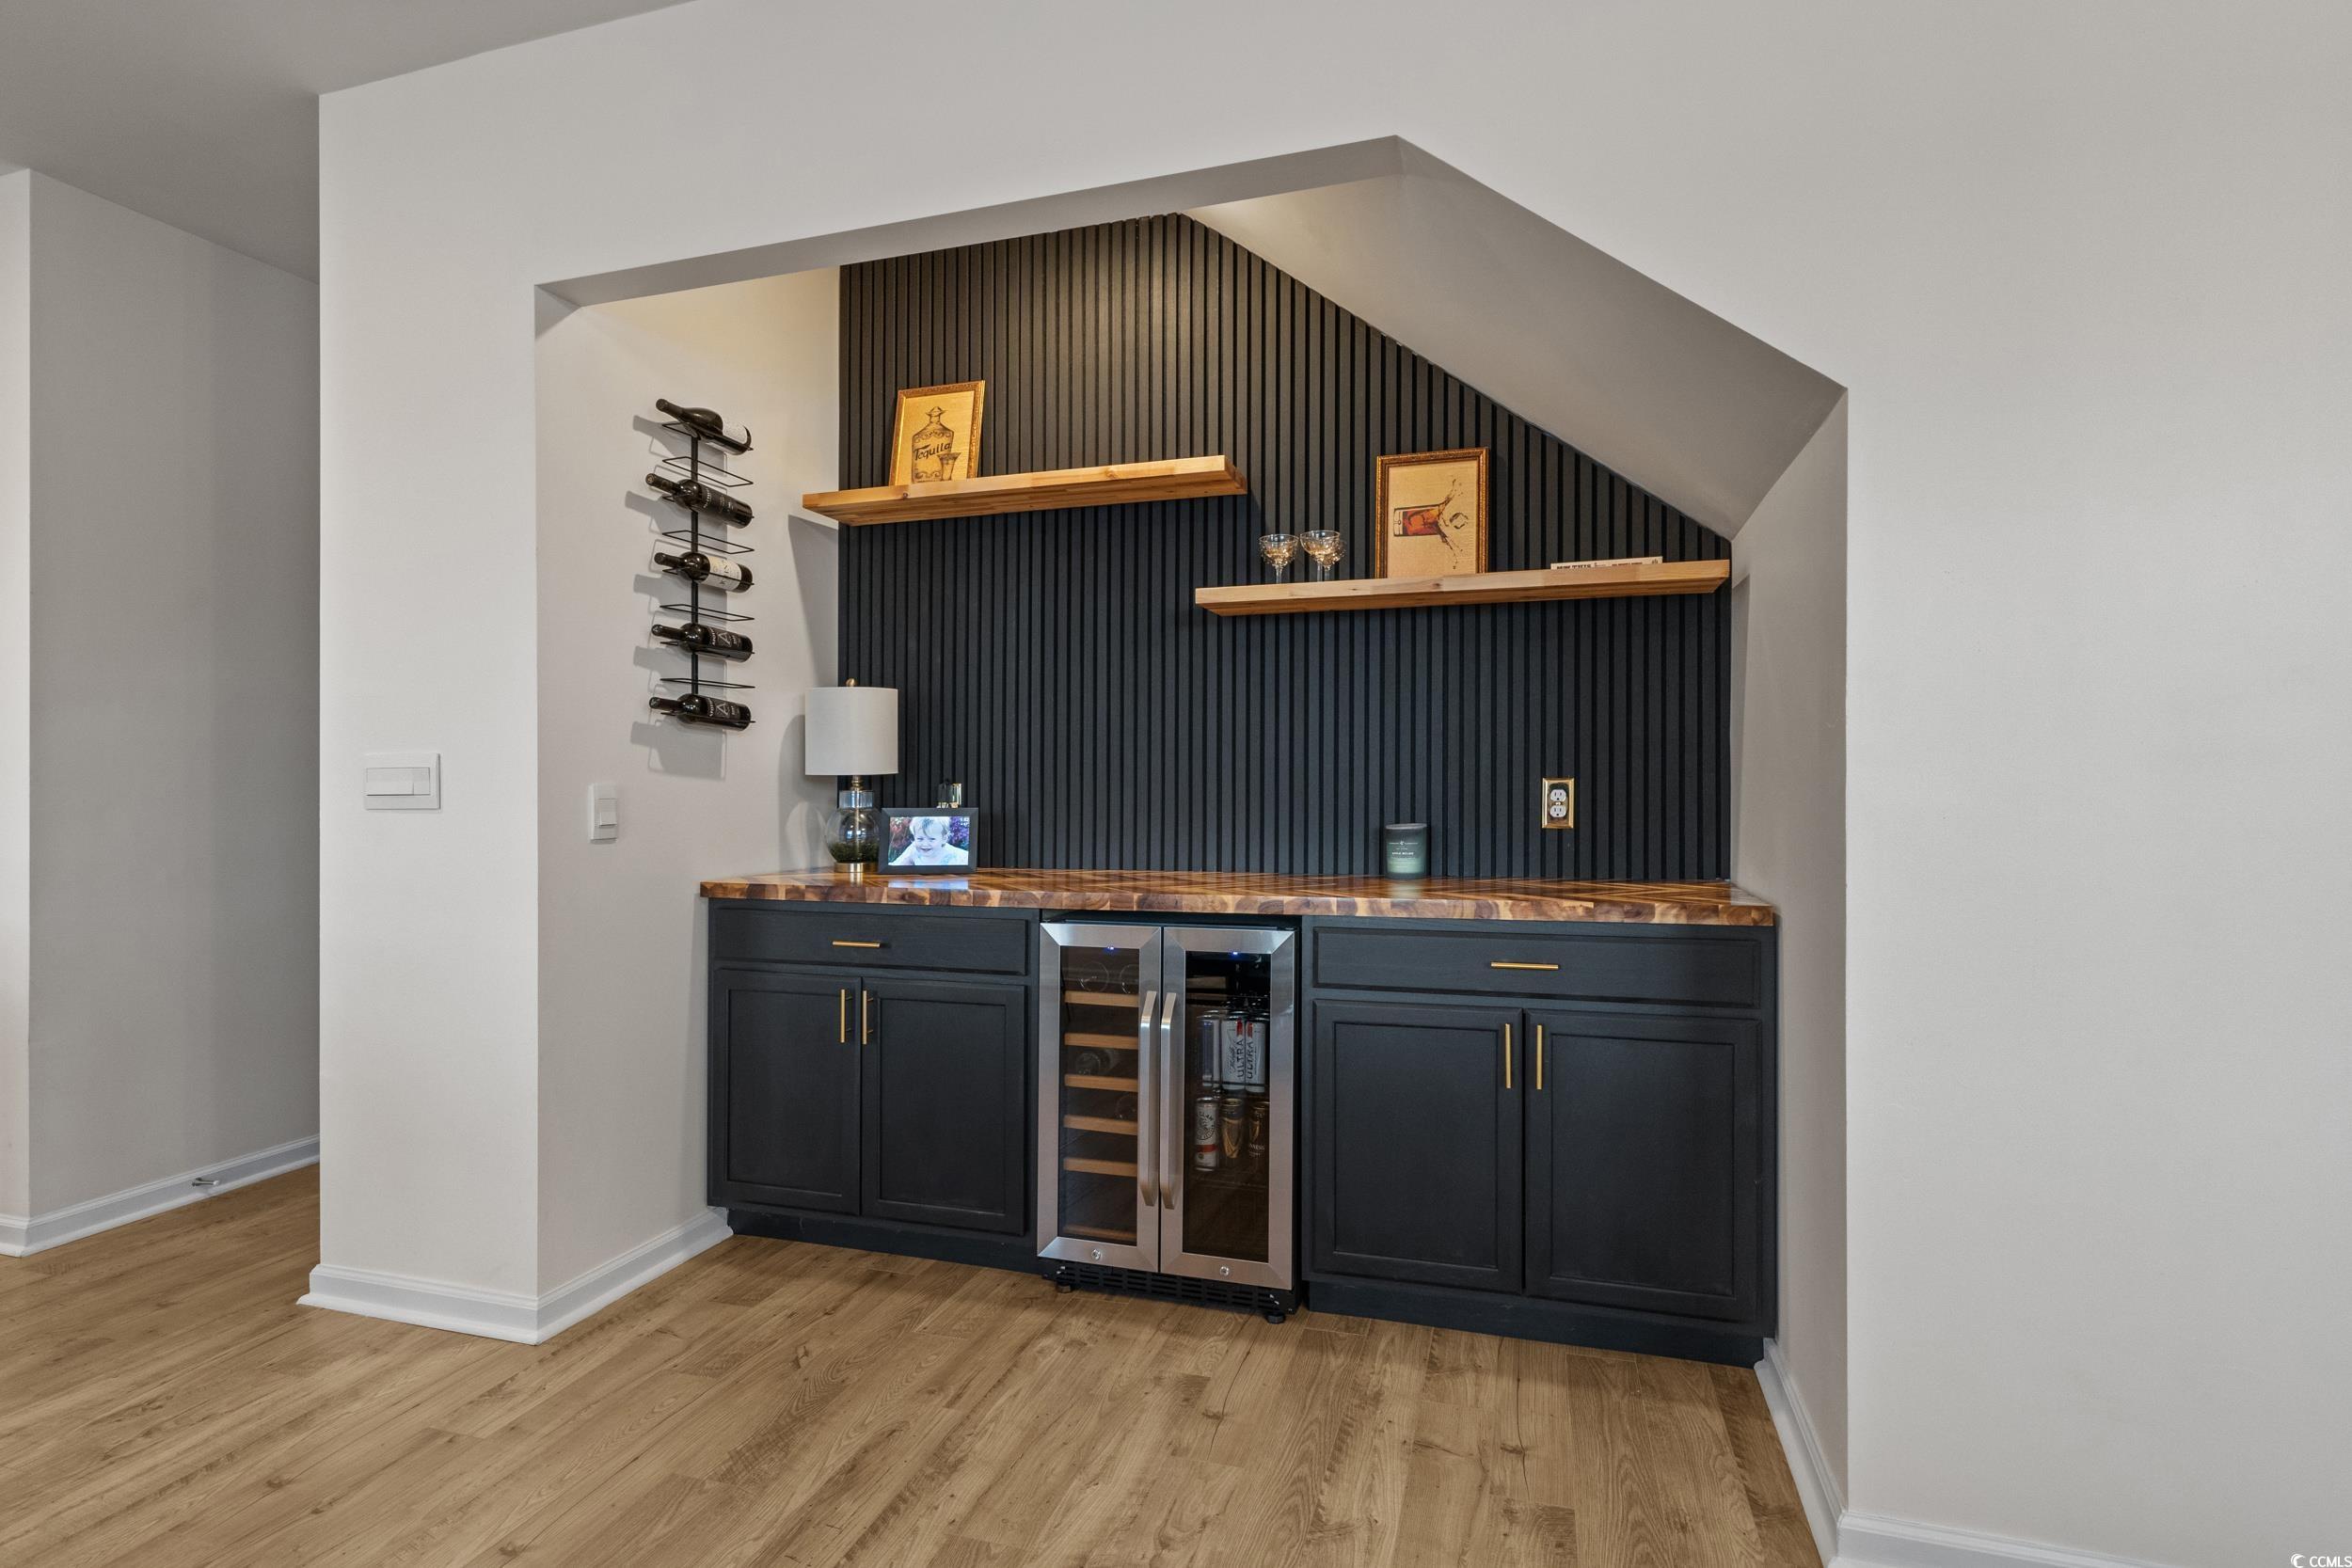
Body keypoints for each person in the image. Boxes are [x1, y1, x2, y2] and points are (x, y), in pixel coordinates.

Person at [891, 815, 969, 867]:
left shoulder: (960, 857)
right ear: (914, 837)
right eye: (920, 839)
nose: (925, 844)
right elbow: (894, 866)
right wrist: (905, 864)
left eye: (931, 839)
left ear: (944, 839)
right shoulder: (913, 849)